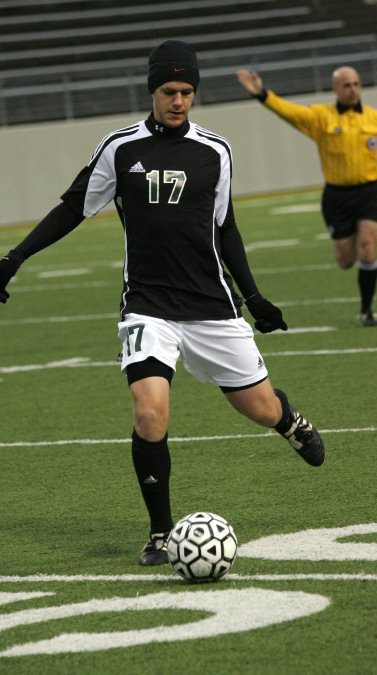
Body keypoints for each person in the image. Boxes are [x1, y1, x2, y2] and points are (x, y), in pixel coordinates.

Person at [0, 40, 325, 567]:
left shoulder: (214, 151)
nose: (179, 101)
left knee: (258, 408)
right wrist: (14, 258)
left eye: (188, 92)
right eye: (170, 91)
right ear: (152, 89)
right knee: (149, 411)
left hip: (211, 306)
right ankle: (159, 533)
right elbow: (72, 209)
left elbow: (226, 228)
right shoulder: (120, 149)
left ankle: (289, 421)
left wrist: (255, 296)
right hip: (147, 305)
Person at [236, 66, 377, 326]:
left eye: (356, 84)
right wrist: (262, 95)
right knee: (346, 260)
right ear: (335, 89)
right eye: (347, 85)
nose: (353, 89)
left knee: (368, 247)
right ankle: (356, 278)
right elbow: (290, 112)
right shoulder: (320, 117)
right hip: (336, 198)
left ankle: (367, 311)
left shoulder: (376, 119)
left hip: (369, 192)